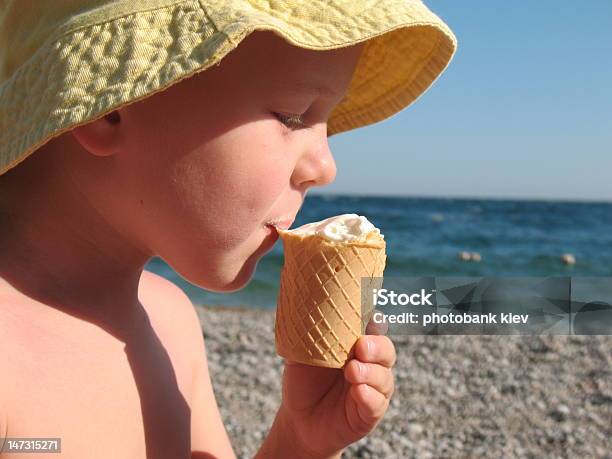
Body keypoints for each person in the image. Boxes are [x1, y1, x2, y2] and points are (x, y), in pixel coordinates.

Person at [0, 1, 456, 457]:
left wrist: (300, 440)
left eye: (327, 125)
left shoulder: (170, 321)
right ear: (110, 103)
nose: (325, 167)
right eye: (293, 115)